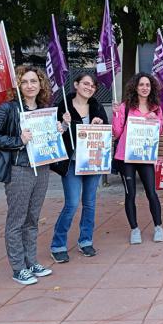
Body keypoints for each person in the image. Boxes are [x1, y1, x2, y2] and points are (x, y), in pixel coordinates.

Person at [0, 66, 66, 285]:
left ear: (41, 85)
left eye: (34, 81)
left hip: (41, 167)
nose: (30, 85)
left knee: (33, 218)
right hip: (19, 168)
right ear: (18, 86)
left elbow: (50, 138)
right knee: (17, 219)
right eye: (25, 82)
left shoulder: (44, 110)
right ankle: (18, 267)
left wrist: (59, 129)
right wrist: (18, 140)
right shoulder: (8, 108)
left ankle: (31, 262)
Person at [50, 73, 109, 263]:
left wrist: (100, 124)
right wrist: (64, 124)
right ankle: (58, 244)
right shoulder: (63, 106)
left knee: (90, 203)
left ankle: (86, 241)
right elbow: (54, 133)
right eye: (85, 83)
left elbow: (106, 134)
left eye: (92, 85)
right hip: (72, 163)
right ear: (76, 85)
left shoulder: (97, 107)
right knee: (72, 203)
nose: (89, 87)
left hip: (93, 162)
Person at [112, 72, 163, 244]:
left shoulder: (156, 108)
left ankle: (158, 227)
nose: (144, 88)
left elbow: (160, 131)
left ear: (152, 88)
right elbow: (117, 132)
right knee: (130, 194)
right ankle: (134, 229)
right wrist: (116, 115)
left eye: (147, 85)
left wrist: (154, 120)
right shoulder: (125, 107)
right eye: (141, 84)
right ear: (135, 87)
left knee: (151, 192)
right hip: (126, 157)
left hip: (145, 156)